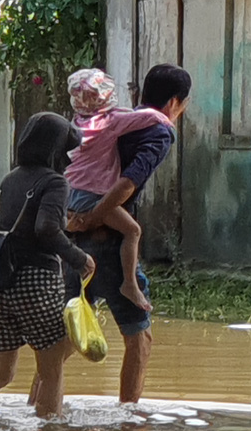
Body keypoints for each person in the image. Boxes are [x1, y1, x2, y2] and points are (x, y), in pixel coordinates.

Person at [0, 112, 96, 419]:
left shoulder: (9, 179)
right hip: (36, 284)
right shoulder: (55, 182)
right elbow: (46, 229)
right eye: (67, 152)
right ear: (55, 150)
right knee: (52, 367)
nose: (69, 160)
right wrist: (78, 258)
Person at [68, 63, 189, 404]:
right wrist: (95, 217)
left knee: (63, 341)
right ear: (176, 102)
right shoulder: (157, 131)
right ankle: (129, 428)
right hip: (105, 240)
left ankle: (42, 411)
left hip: (74, 240)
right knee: (139, 338)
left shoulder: (104, 121)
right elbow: (127, 183)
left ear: (138, 95)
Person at [62, 68, 170, 314]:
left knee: (75, 233)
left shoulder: (77, 123)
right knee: (132, 231)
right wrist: (166, 121)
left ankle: (83, 282)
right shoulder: (110, 123)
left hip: (70, 191)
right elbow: (147, 118)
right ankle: (129, 284)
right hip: (92, 194)